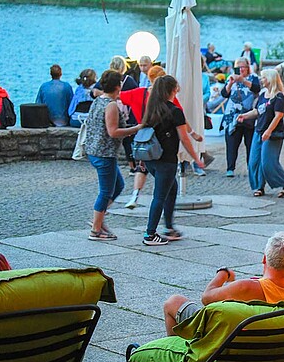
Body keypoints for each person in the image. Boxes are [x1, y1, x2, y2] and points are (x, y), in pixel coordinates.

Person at [162, 232, 284, 335]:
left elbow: (206, 298)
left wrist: (223, 274)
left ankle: (175, 353)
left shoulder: (246, 287)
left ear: (264, 259)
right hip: (271, 349)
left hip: (231, 349)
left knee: (173, 302)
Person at [119, 66, 204, 209]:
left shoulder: (139, 93)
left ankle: (135, 195)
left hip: (143, 137)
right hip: (163, 142)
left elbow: (117, 96)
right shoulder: (169, 100)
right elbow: (181, 120)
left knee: (142, 167)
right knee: (162, 188)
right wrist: (193, 134)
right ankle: (158, 226)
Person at [140, 75, 204, 246]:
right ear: (172, 90)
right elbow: (184, 138)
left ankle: (169, 227)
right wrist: (196, 158)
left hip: (151, 159)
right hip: (166, 159)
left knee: (172, 188)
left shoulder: (152, 109)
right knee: (160, 196)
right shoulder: (175, 111)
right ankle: (150, 234)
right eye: (176, 88)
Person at [85, 70, 143, 241]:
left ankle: (99, 217)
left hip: (94, 151)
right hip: (104, 153)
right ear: (118, 86)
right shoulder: (110, 105)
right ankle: (96, 229)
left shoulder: (97, 101)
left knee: (118, 185)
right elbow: (113, 131)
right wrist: (137, 128)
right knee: (105, 191)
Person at [238, 69, 284, 198]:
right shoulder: (263, 95)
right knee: (254, 161)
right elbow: (258, 111)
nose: (261, 80)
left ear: (270, 79)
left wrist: (269, 131)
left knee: (268, 162)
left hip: (273, 134)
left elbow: (278, 116)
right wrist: (245, 116)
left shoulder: (279, 97)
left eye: (263, 78)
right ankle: (258, 186)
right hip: (259, 131)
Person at [220, 57, 260, 177]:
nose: (241, 70)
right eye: (238, 67)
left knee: (250, 143)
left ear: (248, 67)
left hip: (248, 115)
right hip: (232, 115)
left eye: (243, 67)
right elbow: (224, 94)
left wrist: (243, 80)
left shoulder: (253, 78)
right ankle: (230, 167)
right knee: (232, 143)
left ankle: (251, 167)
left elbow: (256, 88)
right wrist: (230, 83)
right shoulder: (231, 78)